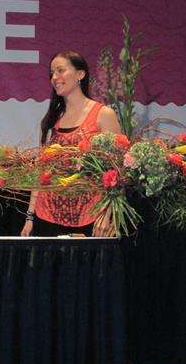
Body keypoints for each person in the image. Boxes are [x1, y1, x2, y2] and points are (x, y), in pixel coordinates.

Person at [21, 50, 121, 237]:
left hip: (90, 216)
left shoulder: (103, 114)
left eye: (60, 70)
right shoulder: (52, 120)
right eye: (52, 73)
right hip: (47, 216)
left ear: (80, 74)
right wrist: (30, 217)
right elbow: (39, 172)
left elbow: (117, 171)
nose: (54, 77)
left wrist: (106, 214)